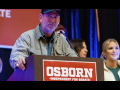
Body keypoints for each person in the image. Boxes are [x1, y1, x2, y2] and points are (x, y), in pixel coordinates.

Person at [9, 9, 78, 71]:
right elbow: (16, 56)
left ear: (59, 20)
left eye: (55, 17)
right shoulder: (27, 37)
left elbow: (76, 61)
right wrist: (20, 59)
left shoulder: (62, 41)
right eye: (49, 16)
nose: (53, 20)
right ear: (41, 17)